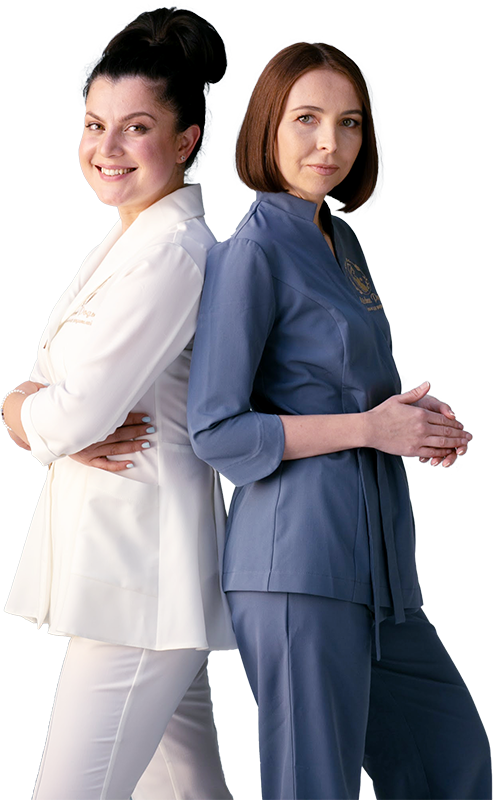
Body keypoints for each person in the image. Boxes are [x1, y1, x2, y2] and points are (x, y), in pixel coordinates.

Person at [187, 42, 492, 800]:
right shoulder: (250, 251)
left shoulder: (339, 239)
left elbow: (342, 384)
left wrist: (410, 420)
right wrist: (367, 429)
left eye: (349, 122)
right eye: (307, 119)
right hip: (297, 568)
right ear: (267, 126)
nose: (330, 142)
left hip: (380, 572)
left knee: (454, 766)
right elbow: (216, 430)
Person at [1, 8, 236, 800]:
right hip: (135, 576)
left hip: (139, 578)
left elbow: (69, 413)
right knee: (188, 789)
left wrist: (18, 407)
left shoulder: (171, 254)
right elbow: (65, 404)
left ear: (185, 139)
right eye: (95, 124)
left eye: (136, 128)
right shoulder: (132, 241)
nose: (106, 148)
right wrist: (44, 409)